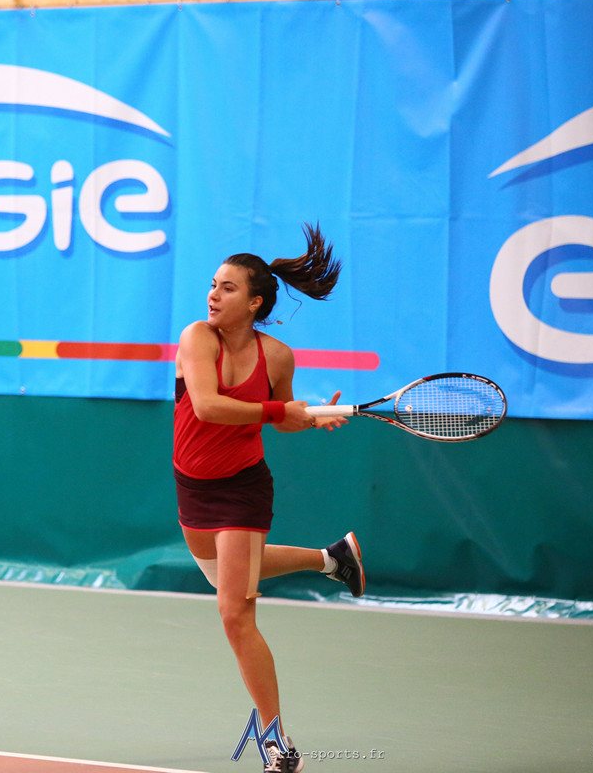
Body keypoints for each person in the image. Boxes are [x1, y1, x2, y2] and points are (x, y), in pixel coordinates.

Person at [173, 223, 364, 773]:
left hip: (242, 486)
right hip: (192, 484)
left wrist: (311, 418)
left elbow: (281, 420)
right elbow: (207, 407)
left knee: (234, 612)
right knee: (220, 574)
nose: (213, 295)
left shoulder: (277, 356)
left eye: (228, 288)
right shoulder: (197, 338)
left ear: (254, 302)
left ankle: (276, 740)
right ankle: (332, 559)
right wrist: (285, 412)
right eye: (213, 285)